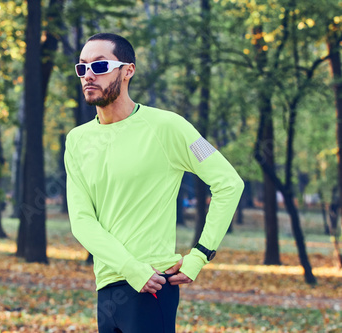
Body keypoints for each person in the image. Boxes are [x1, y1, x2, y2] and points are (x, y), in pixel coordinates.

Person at [64, 32, 244, 333]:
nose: (88, 75)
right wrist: (129, 268)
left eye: (99, 66)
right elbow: (82, 221)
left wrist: (200, 255)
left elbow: (229, 182)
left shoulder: (170, 127)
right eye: (82, 68)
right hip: (108, 288)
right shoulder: (77, 140)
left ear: (127, 70)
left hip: (153, 285)